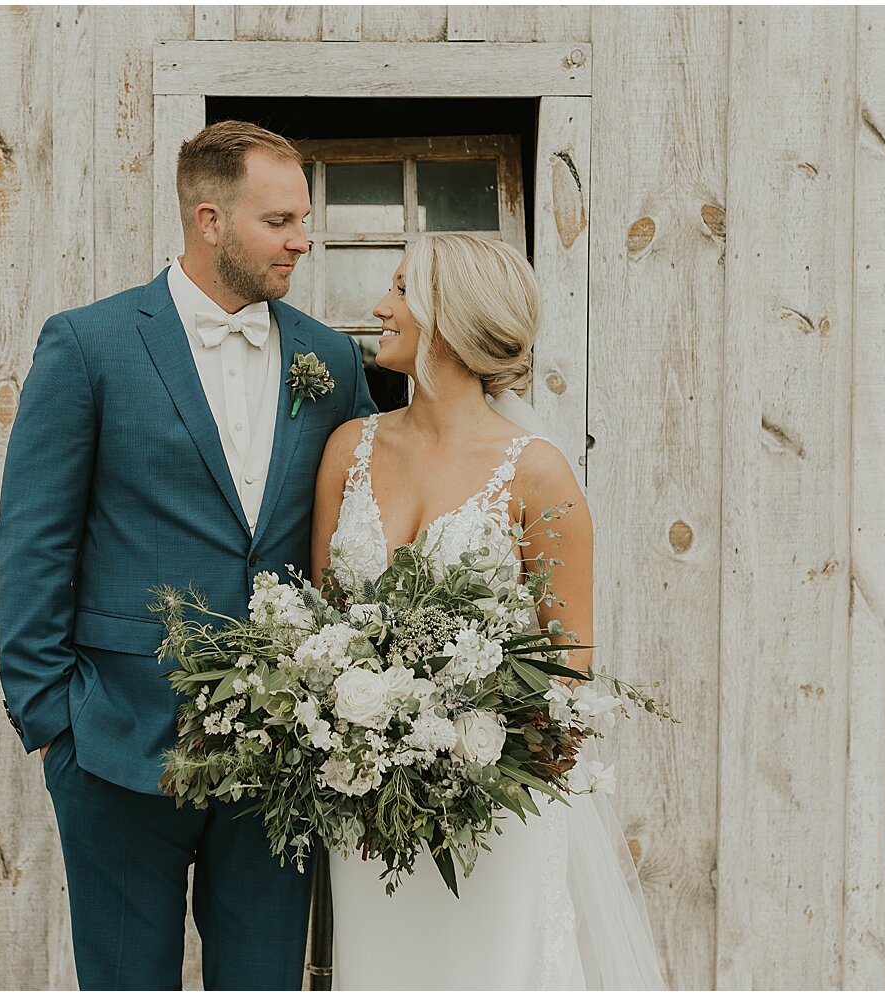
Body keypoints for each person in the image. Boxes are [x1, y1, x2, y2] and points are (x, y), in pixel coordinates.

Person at [0, 120, 376, 990]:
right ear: (209, 219)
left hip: (283, 754)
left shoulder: (328, 358)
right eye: (279, 221)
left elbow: (347, 542)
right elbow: (32, 544)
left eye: (304, 219)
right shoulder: (88, 345)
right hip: (119, 746)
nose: (302, 240)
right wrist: (54, 724)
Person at [311, 233, 666, 989]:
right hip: (366, 807)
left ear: (451, 316)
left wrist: (460, 753)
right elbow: (319, 626)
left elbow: (568, 666)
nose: (380, 307)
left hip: (489, 806)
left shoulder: (535, 472)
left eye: (402, 290)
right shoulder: (349, 449)